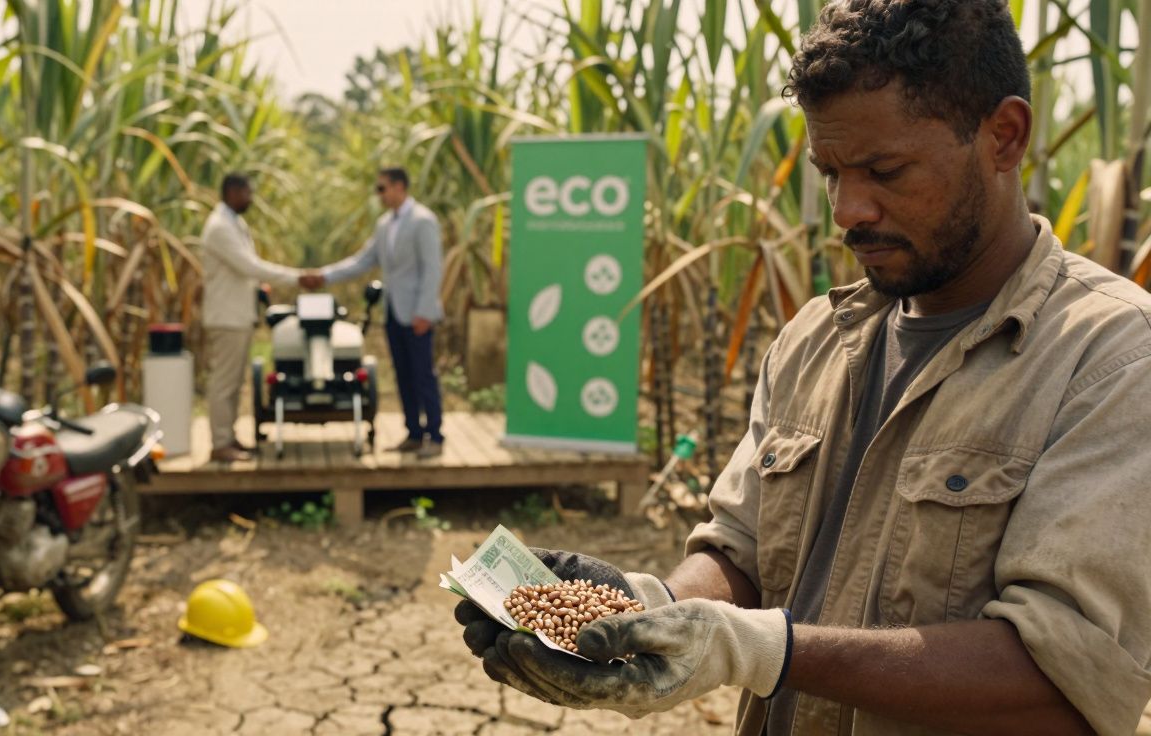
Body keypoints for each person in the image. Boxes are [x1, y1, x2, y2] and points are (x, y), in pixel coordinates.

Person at [456, 1, 1151, 733]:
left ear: (1004, 137)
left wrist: (762, 650)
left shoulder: (1108, 359)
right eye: (830, 172)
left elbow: (1061, 674)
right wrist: (650, 608)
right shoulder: (816, 339)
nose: (847, 210)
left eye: (885, 171)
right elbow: (743, 553)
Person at [302, 167, 446, 459]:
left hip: (416, 313)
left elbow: (433, 269)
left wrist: (424, 312)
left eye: (382, 189)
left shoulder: (422, 221)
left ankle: (435, 434)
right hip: (393, 311)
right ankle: (414, 433)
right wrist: (324, 276)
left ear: (399, 187)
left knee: (423, 375)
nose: (378, 195)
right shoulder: (384, 225)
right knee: (403, 374)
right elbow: (363, 260)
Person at [200, 173, 300, 463]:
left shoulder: (235, 223)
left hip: (238, 316)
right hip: (226, 317)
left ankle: (228, 437)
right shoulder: (220, 227)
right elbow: (249, 265)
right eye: (247, 193)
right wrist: (296, 278)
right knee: (224, 383)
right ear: (233, 192)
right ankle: (220, 443)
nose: (251, 198)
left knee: (233, 384)